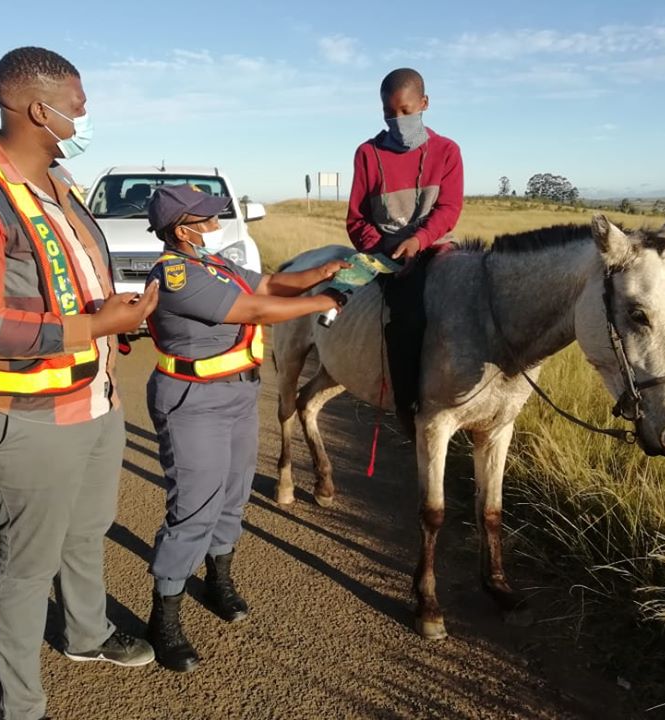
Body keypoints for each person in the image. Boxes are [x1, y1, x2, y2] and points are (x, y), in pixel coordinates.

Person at [0, 47, 159, 720]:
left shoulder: (59, 185)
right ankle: (19, 705)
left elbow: (77, 289)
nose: (85, 116)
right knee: (27, 562)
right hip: (19, 416)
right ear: (37, 108)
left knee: (88, 529)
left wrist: (123, 319)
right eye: (79, 105)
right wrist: (89, 328)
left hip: (91, 399)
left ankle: (85, 635)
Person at [142, 185, 349, 673]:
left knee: (233, 496)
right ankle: (164, 616)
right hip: (194, 402)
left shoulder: (219, 266)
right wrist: (322, 300)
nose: (215, 223)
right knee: (194, 506)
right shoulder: (175, 275)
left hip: (237, 394)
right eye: (205, 217)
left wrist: (323, 272)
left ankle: (218, 580)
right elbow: (255, 311)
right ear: (181, 228)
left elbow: (270, 286)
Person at [346, 67, 464, 435]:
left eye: (405, 111)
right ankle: (406, 406)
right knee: (407, 318)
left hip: (434, 247)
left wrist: (420, 239)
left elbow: (449, 209)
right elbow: (356, 220)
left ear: (424, 104)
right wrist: (387, 250)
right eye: (389, 113)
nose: (398, 120)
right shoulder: (367, 153)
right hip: (386, 252)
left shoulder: (447, 151)